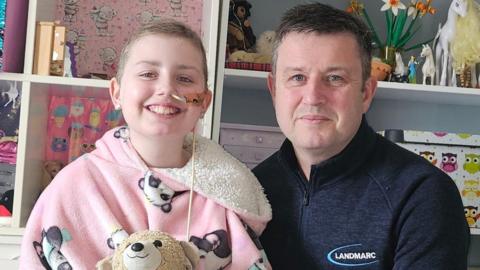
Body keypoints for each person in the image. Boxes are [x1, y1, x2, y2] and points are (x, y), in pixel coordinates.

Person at [20, 20, 271, 269]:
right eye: (148, 74)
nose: (166, 89)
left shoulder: (225, 190)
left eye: (184, 78)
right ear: (117, 93)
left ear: (204, 102)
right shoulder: (74, 185)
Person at [253, 3, 469, 270]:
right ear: (274, 90)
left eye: (334, 78)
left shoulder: (423, 195)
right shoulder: (250, 190)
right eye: (297, 77)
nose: (312, 97)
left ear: (366, 93)